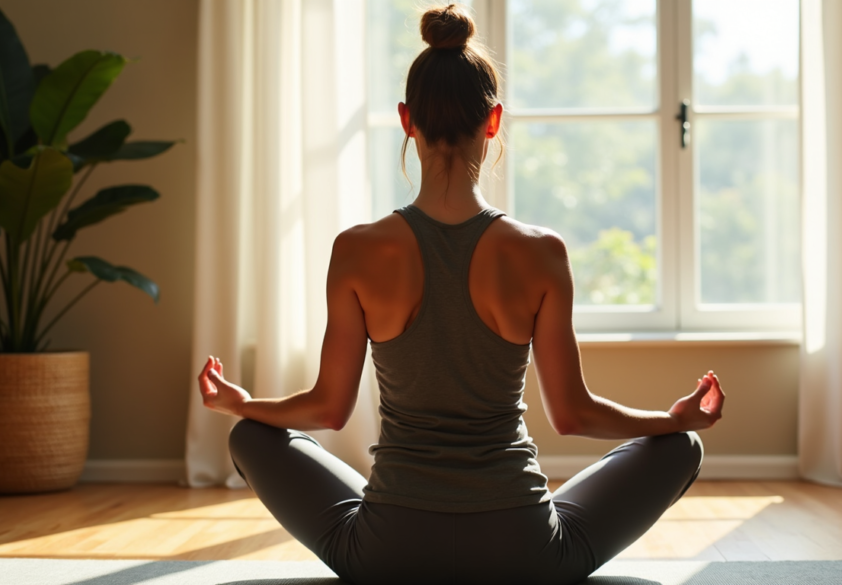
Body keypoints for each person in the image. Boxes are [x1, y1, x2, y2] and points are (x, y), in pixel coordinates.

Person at [198, 4, 725, 584]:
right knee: (681, 448)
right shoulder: (541, 252)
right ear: (493, 121)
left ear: (406, 120)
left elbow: (327, 408)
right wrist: (673, 421)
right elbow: (574, 415)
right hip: (522, 552)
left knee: (252, 436)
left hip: (387, 553)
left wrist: (241, 404)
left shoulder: (356, 249)